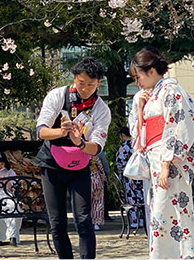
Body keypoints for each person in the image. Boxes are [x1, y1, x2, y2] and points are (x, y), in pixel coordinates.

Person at [129, 47, 194, 259]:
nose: (138, 83)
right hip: (157, 160)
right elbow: (141, 133)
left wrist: (166, 163)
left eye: (139, 76)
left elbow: (179, 126)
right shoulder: (153, 95)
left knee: (173, 213)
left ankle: (183, 256)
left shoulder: (172, 91)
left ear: (151, 71)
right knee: (160, 214)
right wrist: (141, 108)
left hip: (170, 163)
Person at [33, 57, 111, 259]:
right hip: (51, 165)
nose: (85, 88)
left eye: (91, 85)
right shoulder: (58, 95)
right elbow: (41, 132)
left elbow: (97, 147)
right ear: (74, 78)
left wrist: (80, 143)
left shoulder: (101, 109)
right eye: (81, 83)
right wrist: (61, 131)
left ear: (99, 83)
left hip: (80, 165)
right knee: (57, 222)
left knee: (84, 219)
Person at [115, 126, 145, 228]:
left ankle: (134, 220)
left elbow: (120, 163)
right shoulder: (136, 144)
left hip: (128, 176)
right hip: (140, 174)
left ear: (123, 135)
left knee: (131, 198)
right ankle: (142, 219)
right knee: (141, 197)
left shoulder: (123, 147)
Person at [90, 155, 105, 231]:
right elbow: (101, 168)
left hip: (84, 179)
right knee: (97, 202)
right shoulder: (94, 155)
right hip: (96, 178)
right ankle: (96, 223)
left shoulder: (79, 155)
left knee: (85, 203)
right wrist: (103, 178)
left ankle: (87, 221)